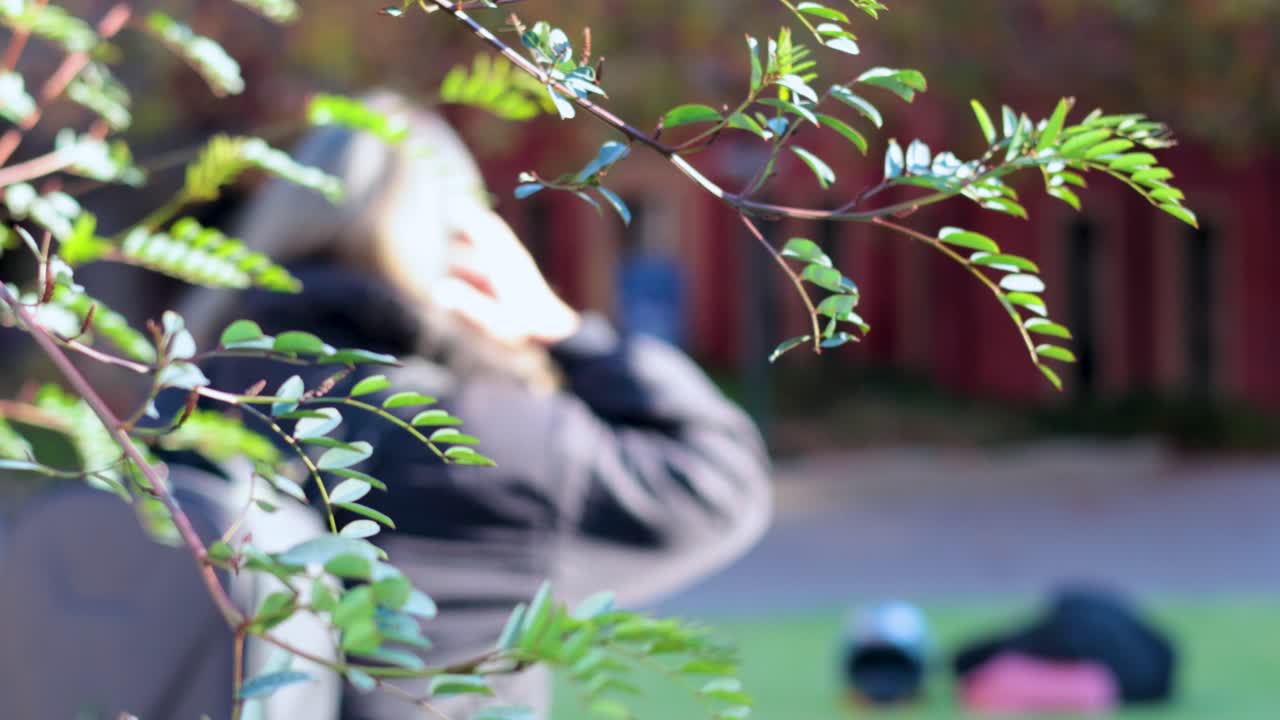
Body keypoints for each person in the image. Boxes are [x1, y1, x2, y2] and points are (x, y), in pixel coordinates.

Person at [0, 90, 772, 720]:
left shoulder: (193, 404)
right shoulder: (486, 442)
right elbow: (718, 481)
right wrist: (565, 331)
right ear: (469, 253)